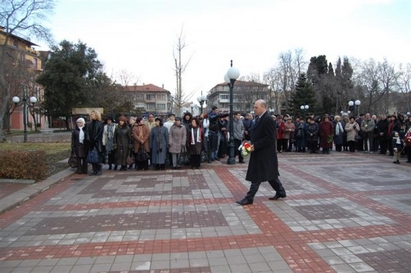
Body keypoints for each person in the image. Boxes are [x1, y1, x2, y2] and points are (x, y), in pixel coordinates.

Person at [236, 100, 287, 206]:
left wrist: (256, 145)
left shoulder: (267, 119)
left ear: (263, 107)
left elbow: (270, 138)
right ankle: (281, 191)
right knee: (270, 174)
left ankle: (249, 198)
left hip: (265, 153)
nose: (254, 109)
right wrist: (249, 141)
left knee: (257, 176)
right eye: (254, 107)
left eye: (256, 107)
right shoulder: (258, 119)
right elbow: (256, 133)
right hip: (258, 151)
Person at [86, 110, 105, 175]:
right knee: (92, 156)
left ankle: (99, 169)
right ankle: (94, 170)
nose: (91, 115)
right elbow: (87, 132)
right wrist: (89, 139)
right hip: (90, 143)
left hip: (98, 142)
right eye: (91, 114)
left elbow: (100, 133)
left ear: (96, 115)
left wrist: (95, 140)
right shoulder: (89, 124)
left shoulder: (100, 123)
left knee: (98, 156)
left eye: (93, 114)